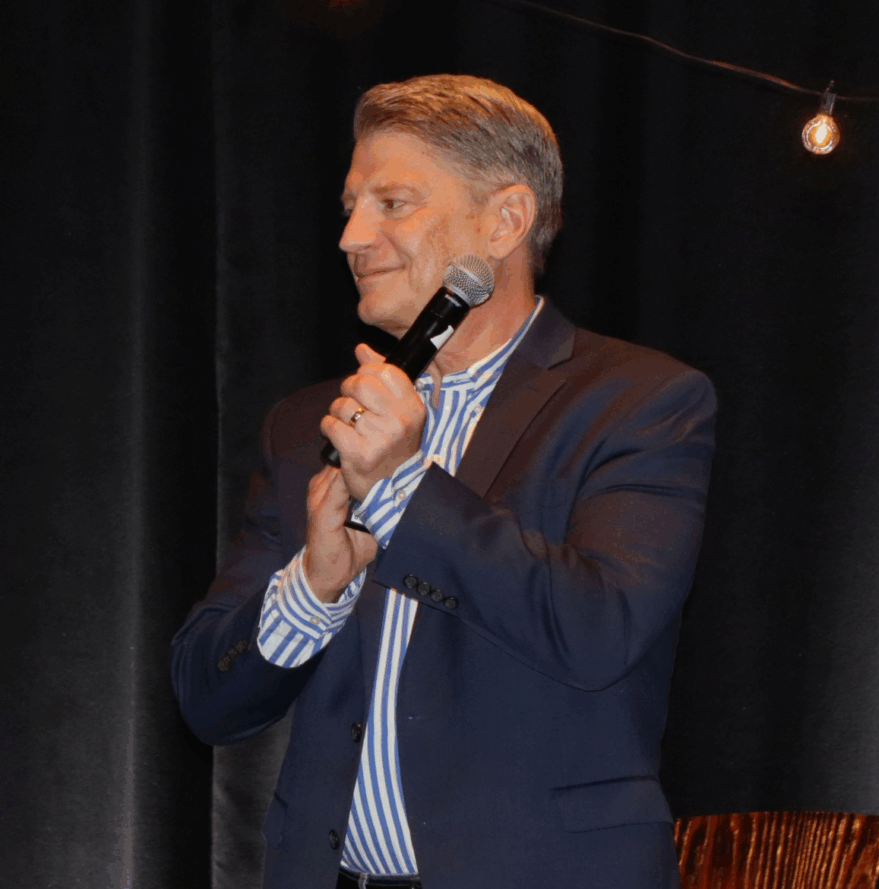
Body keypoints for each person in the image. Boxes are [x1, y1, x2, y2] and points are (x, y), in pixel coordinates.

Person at [172, 73, 716, 889]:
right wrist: (313, 589)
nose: (352, 237)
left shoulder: (640, 400)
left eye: (392, 204)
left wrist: (401, 487)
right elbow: (205, 696)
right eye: (350, 207)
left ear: (505, 221)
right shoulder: (311, 423)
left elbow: (599, 630)